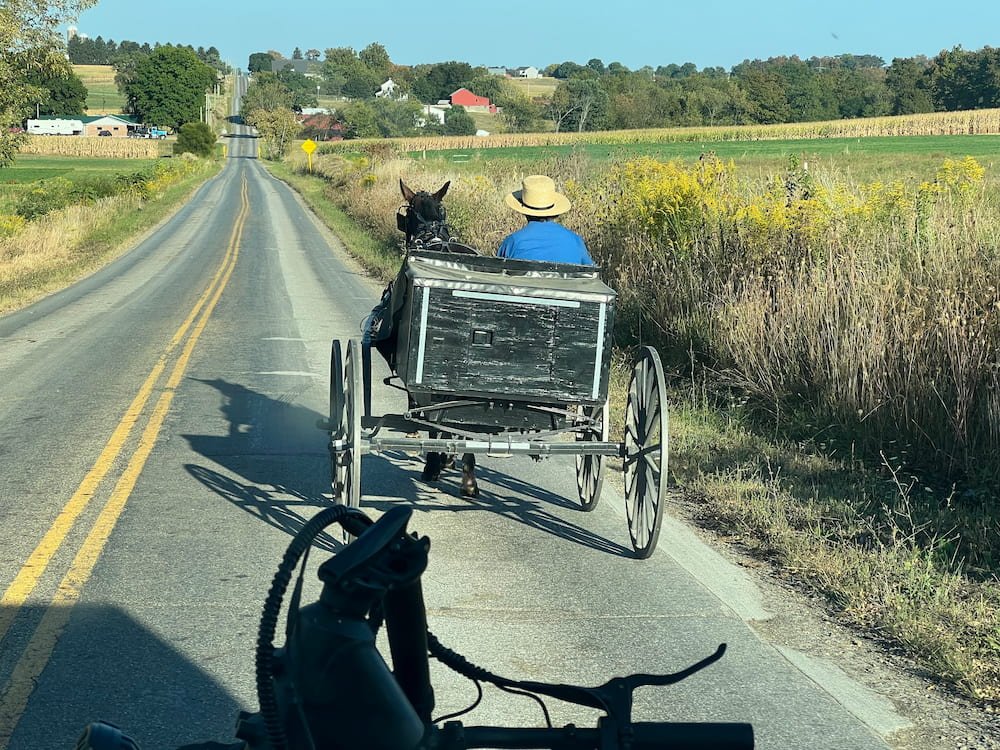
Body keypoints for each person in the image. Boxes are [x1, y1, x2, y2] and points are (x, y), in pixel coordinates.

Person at [497, 175, 594, 265]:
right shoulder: (575, 241)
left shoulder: (512, 242)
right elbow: (589, 275)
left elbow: (498, 275)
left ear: (524, 211)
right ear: (554, 211)